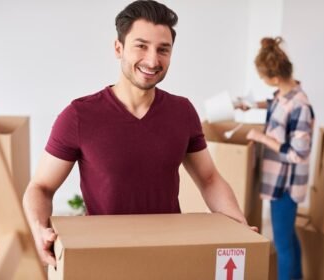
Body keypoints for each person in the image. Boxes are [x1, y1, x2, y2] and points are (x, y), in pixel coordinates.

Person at [23, 0, 255, 267]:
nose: (152, 60)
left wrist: (238, 225)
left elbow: (209, 179)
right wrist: (39, 229)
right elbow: (41, 187)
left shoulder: (183, 111)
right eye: (141, 46)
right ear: (118, 48)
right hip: (103, 257)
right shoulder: (79, 116)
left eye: (163, 49)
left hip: (170, 254)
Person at [236, 37, 315, 280]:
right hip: (277, 180)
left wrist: (262, 138)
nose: (263, 81)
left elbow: (298, 152)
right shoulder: (284, 93)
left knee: (281, 244)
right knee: (288, 236)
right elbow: (275, 104)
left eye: (263, 78)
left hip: (285, 185)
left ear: (275, 77)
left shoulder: (300, 105)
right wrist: (252, 105)